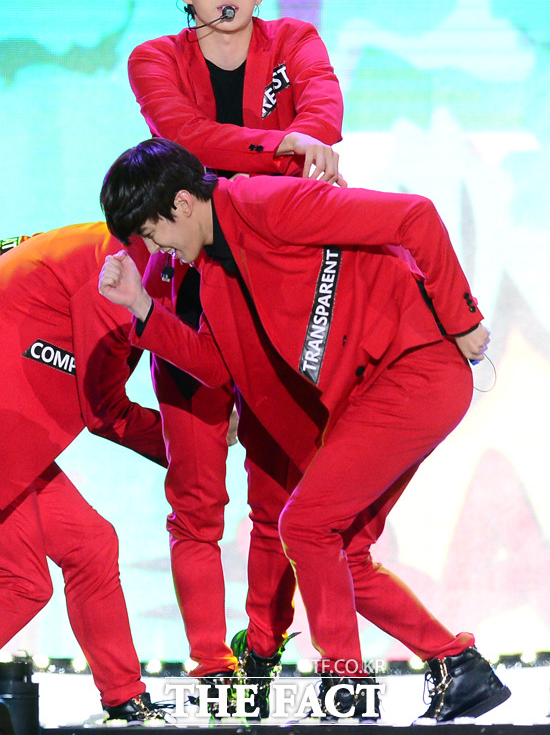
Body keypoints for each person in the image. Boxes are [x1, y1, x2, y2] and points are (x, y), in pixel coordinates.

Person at [98, 138, 511, 722]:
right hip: (378, 393)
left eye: (150, 232)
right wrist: (143, 309)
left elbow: (414, 216)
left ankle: (346, 693)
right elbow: (218, 366)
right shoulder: (213, 273)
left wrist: (462, 318)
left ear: (183, 203)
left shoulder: (268, 205)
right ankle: (459, 666)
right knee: (342, 553)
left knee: (306, 526)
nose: (153, 250)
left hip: (417, 369)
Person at [127, 0, 345, 699]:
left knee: (279, 496)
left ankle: (261, 647)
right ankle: (208, 667)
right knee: (196, 502)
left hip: (279, 291)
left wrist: (308, 136)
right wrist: (285, 147)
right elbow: (185, 138)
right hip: (187, 291)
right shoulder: (155, 57)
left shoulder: (296, 40)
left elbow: (323, 108)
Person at [0, 224, 173, 725]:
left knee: (91, 545)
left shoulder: (114, 252)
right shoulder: (117, 271)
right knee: (23, 581)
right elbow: (103, 411)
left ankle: (125, 699)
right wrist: (186, 445)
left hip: (15, 435)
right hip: (8, 431)